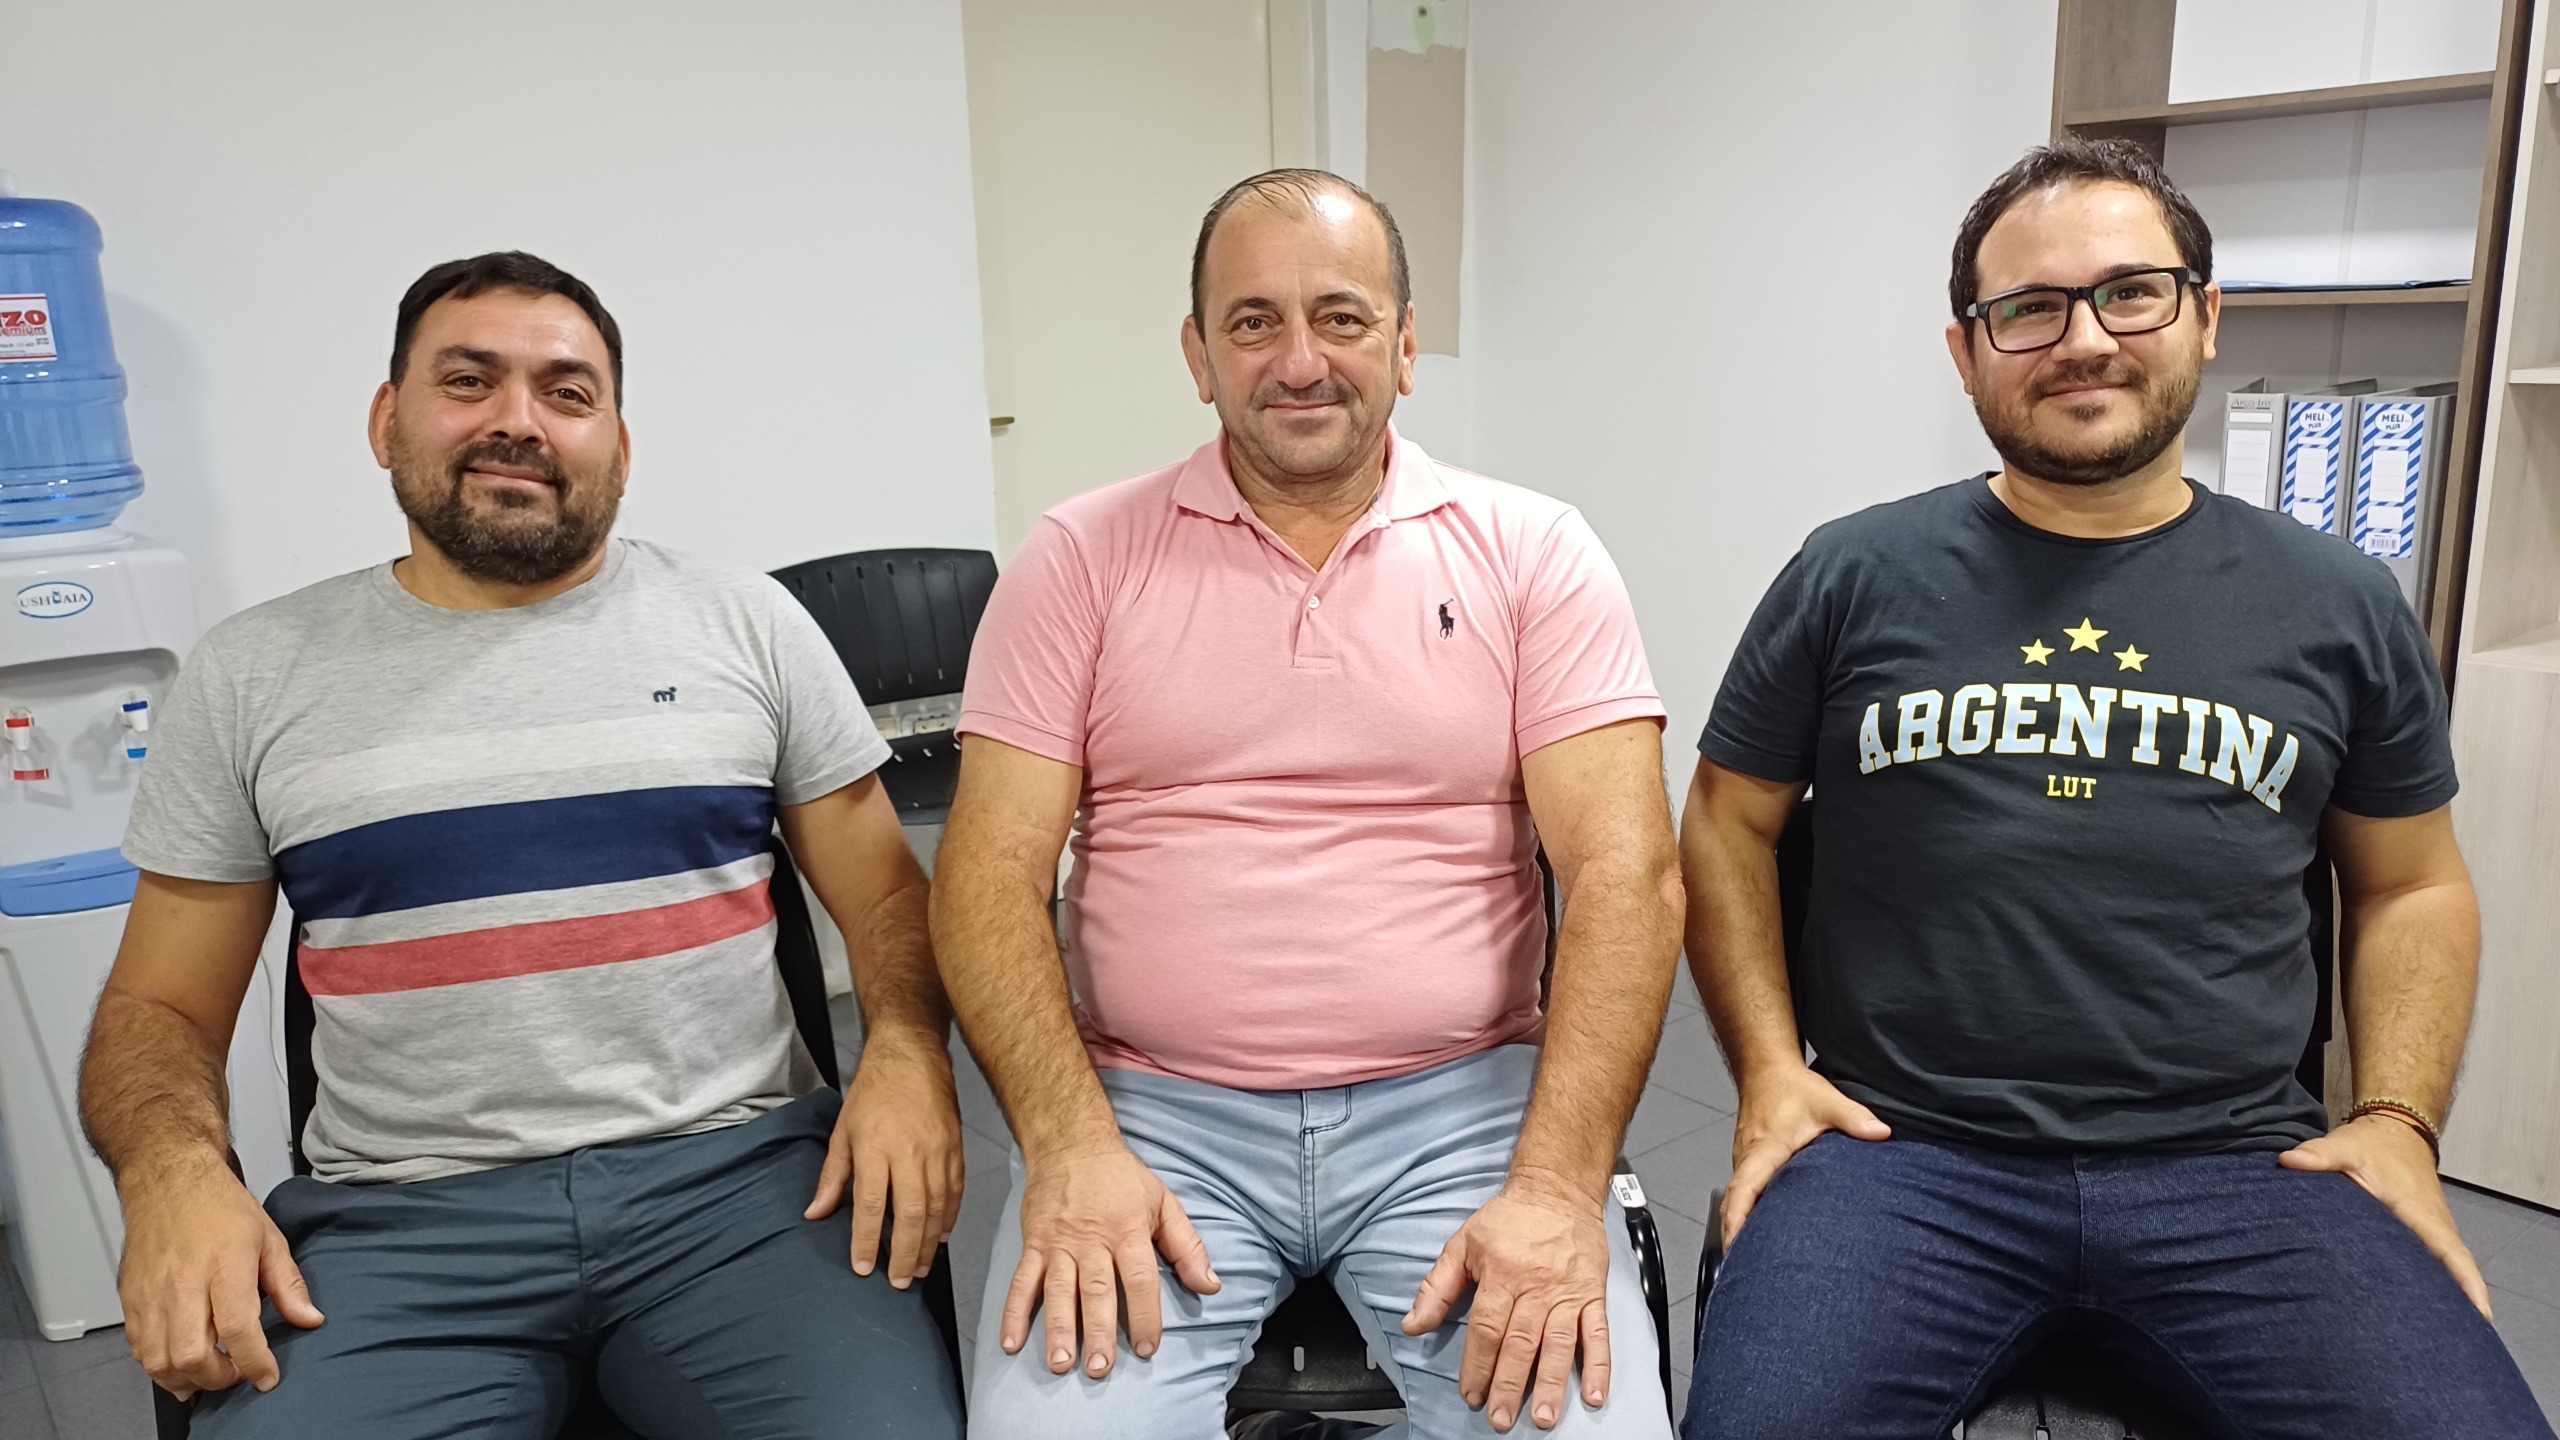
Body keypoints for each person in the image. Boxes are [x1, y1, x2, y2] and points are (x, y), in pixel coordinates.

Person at [1678, 137, 2552, 1439]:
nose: (2083, 340)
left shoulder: (2340, 602)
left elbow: (2412, 886)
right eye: (2028, 308)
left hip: (2246, 1169)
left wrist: (2396, 1122)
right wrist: (1766, 1071)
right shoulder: (1849, 576)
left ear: (2205, 316)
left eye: (2130, 292)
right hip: (1896, 1156)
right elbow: (1724, 823)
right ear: (1966, 351)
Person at [80, 252, 968, 1438]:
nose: (518, 421)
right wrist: (174, 1175)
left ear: (619, 446)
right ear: (387, 421)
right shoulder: (253, 675)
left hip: (742, 1202)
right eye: (468, 381)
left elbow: (889, 900)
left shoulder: (746, 625)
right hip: (402, 1229)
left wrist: (906, 1053)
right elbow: (158, 1008)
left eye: (567, 392)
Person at [934, 169, 1682, 1439]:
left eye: (1340, 317)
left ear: (1404, 343)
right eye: (1252, 322)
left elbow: (1628, 874)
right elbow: (987, 872)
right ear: (1197, 354)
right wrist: (1066, 1145)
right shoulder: (1080, 557)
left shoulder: (1533, 551)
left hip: (1465, 1115)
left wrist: (1558, 1188)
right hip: (1152, 1117)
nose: (1298, 362)